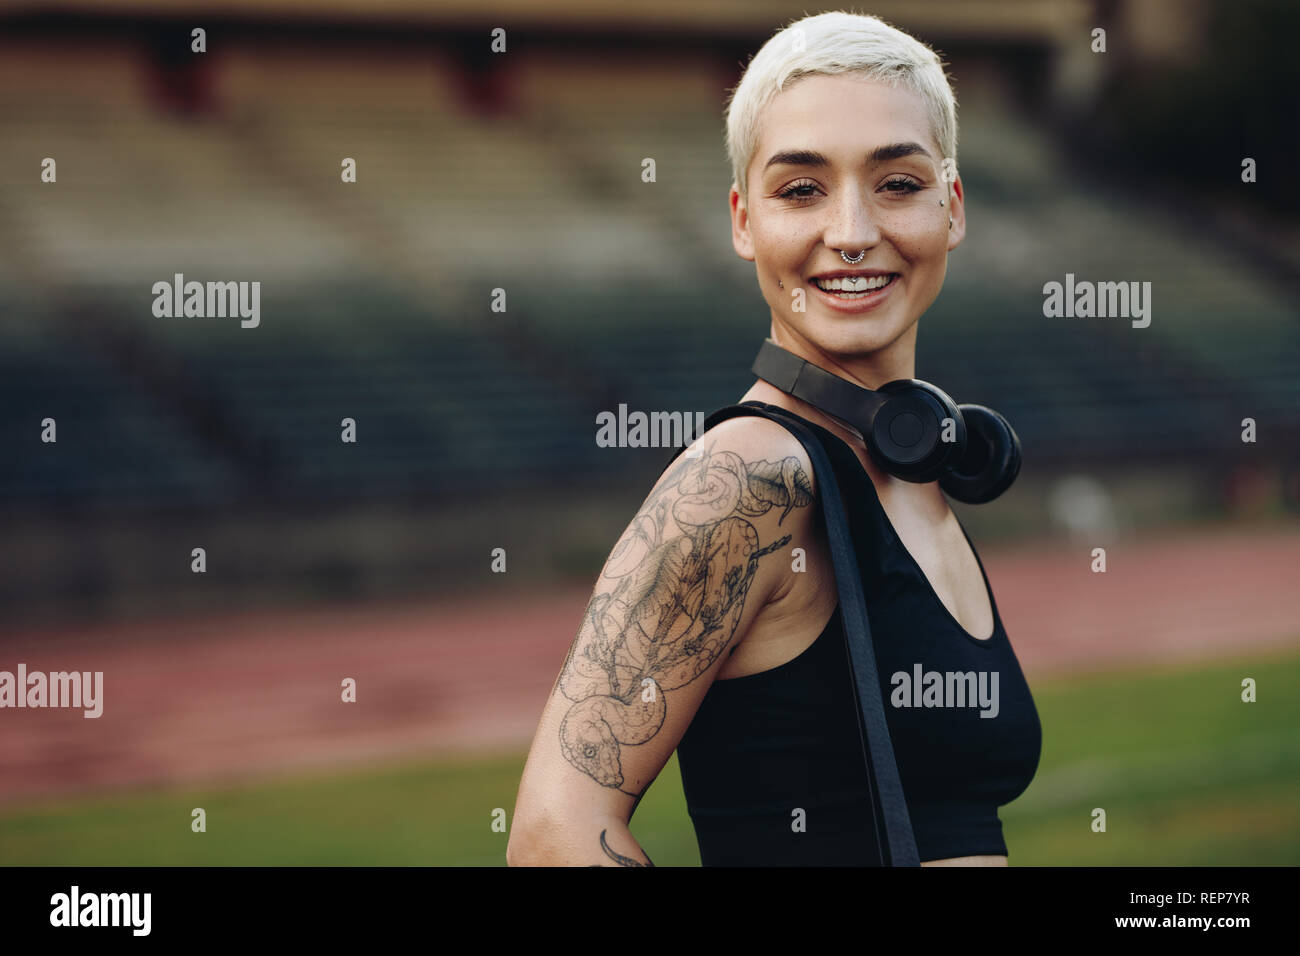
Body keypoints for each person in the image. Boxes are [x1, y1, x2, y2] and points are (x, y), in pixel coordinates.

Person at [508, 10, 1040, 867]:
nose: (853, 232)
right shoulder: (751, 477)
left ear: (953, 207)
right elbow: (552, 835)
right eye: (801, 190)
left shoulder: (914, 464)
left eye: (898, 184)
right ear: (744, 219)